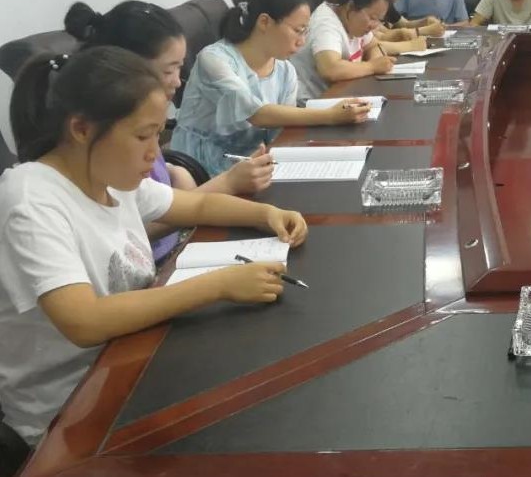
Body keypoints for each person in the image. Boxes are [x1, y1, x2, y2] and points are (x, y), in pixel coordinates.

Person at [0, 47, 308, 448]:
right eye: (143, 136)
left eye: (158, 134)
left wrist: (266, 214)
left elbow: (196, 205)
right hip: (71, 410)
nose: (155, 152)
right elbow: (83, 321)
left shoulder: (107, 174)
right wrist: (219, 285)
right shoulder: (30, 199)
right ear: (81, 129)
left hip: (135, 360)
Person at [64, 1, 275, 264]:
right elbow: (128, 237)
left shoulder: (123, 149)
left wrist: (175, 172)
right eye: (169, 70)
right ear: (126, 68)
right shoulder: (101, 162)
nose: (178, 80)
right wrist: (227, 183)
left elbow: (163, 202)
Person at [171, 0, 370, 176]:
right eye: (297, 30)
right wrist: (330, 116)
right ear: (264, 22)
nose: (302, 41)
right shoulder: (215, 59)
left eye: (305, 31)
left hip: (253, 162)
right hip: (199, 167)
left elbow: (283, 128)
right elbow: (256, 113)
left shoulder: (285, 70)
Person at [292, 0, 396, 100]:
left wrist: (376, 60)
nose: (375, 25)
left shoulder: (354, 21)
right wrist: (372, 67)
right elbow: (330, 69)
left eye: (379, 19)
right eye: (372, 17)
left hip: (343, 96)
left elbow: (374, 45)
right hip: (313, 104)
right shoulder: (326, 23)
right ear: (350, 7)